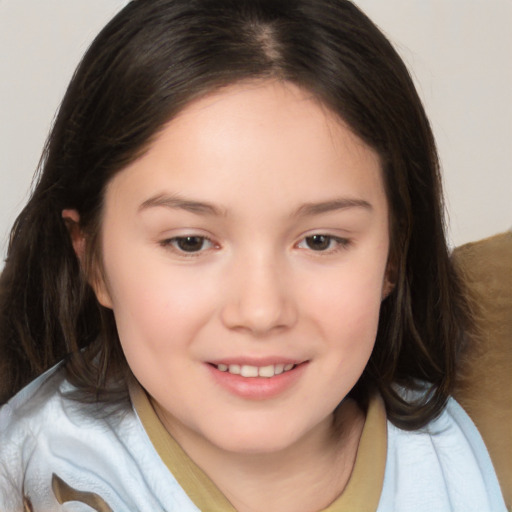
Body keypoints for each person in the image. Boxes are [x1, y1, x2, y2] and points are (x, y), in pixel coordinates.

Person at [0, 0, 506, 510]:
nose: (261, 312)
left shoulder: (472, 455)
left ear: (393, 257)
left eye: (320, 241)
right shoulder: (30, 475)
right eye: (191, 242)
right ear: (94, 262)